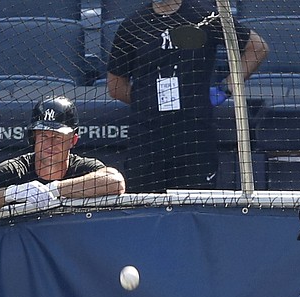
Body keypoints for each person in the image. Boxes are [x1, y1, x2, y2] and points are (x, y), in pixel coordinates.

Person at [106, 0, 268, 193]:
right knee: (144, 207)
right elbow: (115, 85)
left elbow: (257, 48)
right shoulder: (133, 25)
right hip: (147, 138)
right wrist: (148, 100)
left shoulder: (206, 16)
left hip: (194, 136)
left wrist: (226, 88)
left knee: (197, 204)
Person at [0, 97, 126, 214]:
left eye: (57, 137)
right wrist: (14, 193)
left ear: (73, 140)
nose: (50, 143)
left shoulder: (83, 168)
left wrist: (54, 189)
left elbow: (115, 182)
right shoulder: (16, 168)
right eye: (44, 136)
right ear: (34, 137)